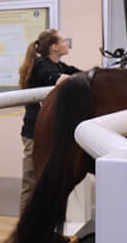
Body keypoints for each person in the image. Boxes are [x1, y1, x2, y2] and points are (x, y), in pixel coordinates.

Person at [17, 30, 80, 213]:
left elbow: (81, 74)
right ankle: (26, 232)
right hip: (35, 135)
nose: (66, 42)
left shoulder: (58, 65)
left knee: (50, 183)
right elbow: (59, 81)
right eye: (63, 40)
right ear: (54, 47)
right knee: (31, 182)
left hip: (50, 134)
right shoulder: (41, 67)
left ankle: (48, 231)